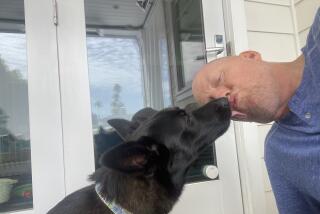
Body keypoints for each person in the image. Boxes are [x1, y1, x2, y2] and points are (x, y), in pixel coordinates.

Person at [192, 8, 320, 214]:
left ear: (250, 56)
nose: (222, 101)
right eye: (214, 105)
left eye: (219, 79)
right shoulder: (279, 154)